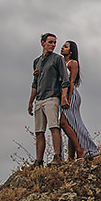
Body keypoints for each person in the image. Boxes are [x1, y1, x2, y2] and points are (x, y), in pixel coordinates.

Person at [27, 32, 70, 166]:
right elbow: (35, 83)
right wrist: (30, 101)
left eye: (54, 43)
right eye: (50, 42)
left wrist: (63, 97)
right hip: (39, 99)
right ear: (43, 43)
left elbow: (65, 79)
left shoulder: (57, 59)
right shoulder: (37, 62)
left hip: (52, 97)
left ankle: (58, 157)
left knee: (54, 127)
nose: (53, 45)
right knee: (39, 131)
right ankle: (39, 161)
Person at [60, 40, 100, 159]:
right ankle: (71, 157)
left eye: (65, 47)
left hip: (71, 95)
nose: (62, 48)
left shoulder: (73, 63)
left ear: (71, 51)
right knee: (71, 124)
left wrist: (69, 98)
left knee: (65, 122)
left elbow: (71, 82)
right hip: (63, 95)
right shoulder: (61, 62)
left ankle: (82, 149)